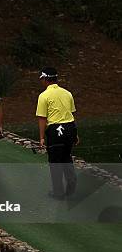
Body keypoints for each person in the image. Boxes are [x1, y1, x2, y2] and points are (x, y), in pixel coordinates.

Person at [36, 67, 78, 199]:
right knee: (66, 156)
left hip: (55, 131)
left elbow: (42, 118)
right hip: (70, 128)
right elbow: (70, 114)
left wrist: (42, 137)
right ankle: (71, 183)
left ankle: (58, 193)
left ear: (45, 79)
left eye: (42, 79)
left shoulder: (43, 96)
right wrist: (75, 134)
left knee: (55, 161)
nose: (41, 81)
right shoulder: (67, 93)